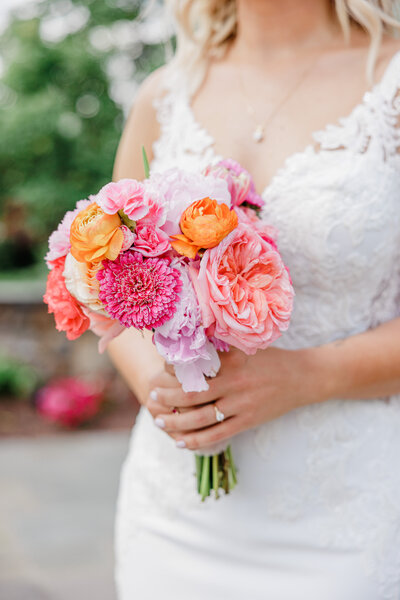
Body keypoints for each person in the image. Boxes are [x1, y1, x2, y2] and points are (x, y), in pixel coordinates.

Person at [109, 1, 400, 598]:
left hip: (346, 509)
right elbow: (110, 287)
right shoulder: (163, 96)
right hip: (172, 512)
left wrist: (307, 375)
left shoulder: (391, 81)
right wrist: (155, 384)